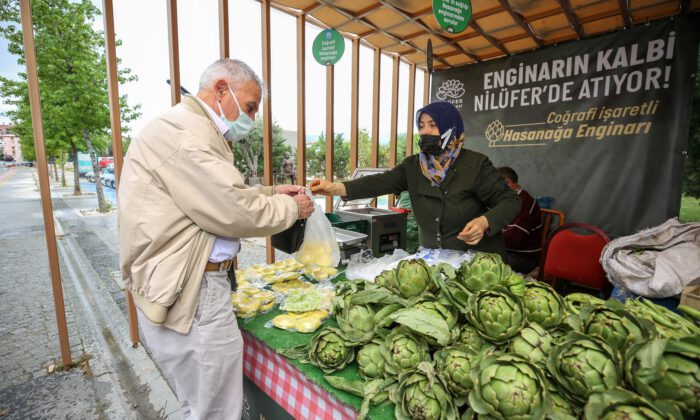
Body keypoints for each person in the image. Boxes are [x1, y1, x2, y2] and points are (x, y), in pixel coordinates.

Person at [118, 58, 314, 420]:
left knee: (198, 403)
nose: (252, 120)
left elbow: (214, 194)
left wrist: (272, 191)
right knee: (216, 410)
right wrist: (293, 209)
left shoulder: (185, 129)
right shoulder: (186, 136)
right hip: (194, 292)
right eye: (251, 107)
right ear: (222, 89)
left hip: (180, 285)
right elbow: (233, 209)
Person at [311, 101, 520, 256]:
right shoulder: (413, 166)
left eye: (433, 125)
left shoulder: (475, 164)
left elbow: (510, 201)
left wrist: (485, 222)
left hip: (475, 260)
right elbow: (379, 182)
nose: (425, 131)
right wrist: (336, 188)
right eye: (421, 125)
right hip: (432, 259)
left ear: (451, 127)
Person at [497, 166, 544, 274]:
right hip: (508, 251)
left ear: (507, 183)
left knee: (488, 263)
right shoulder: (508, 199)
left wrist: (487, 232)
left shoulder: (525, 203)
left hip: (524, 257)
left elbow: (513, 240)